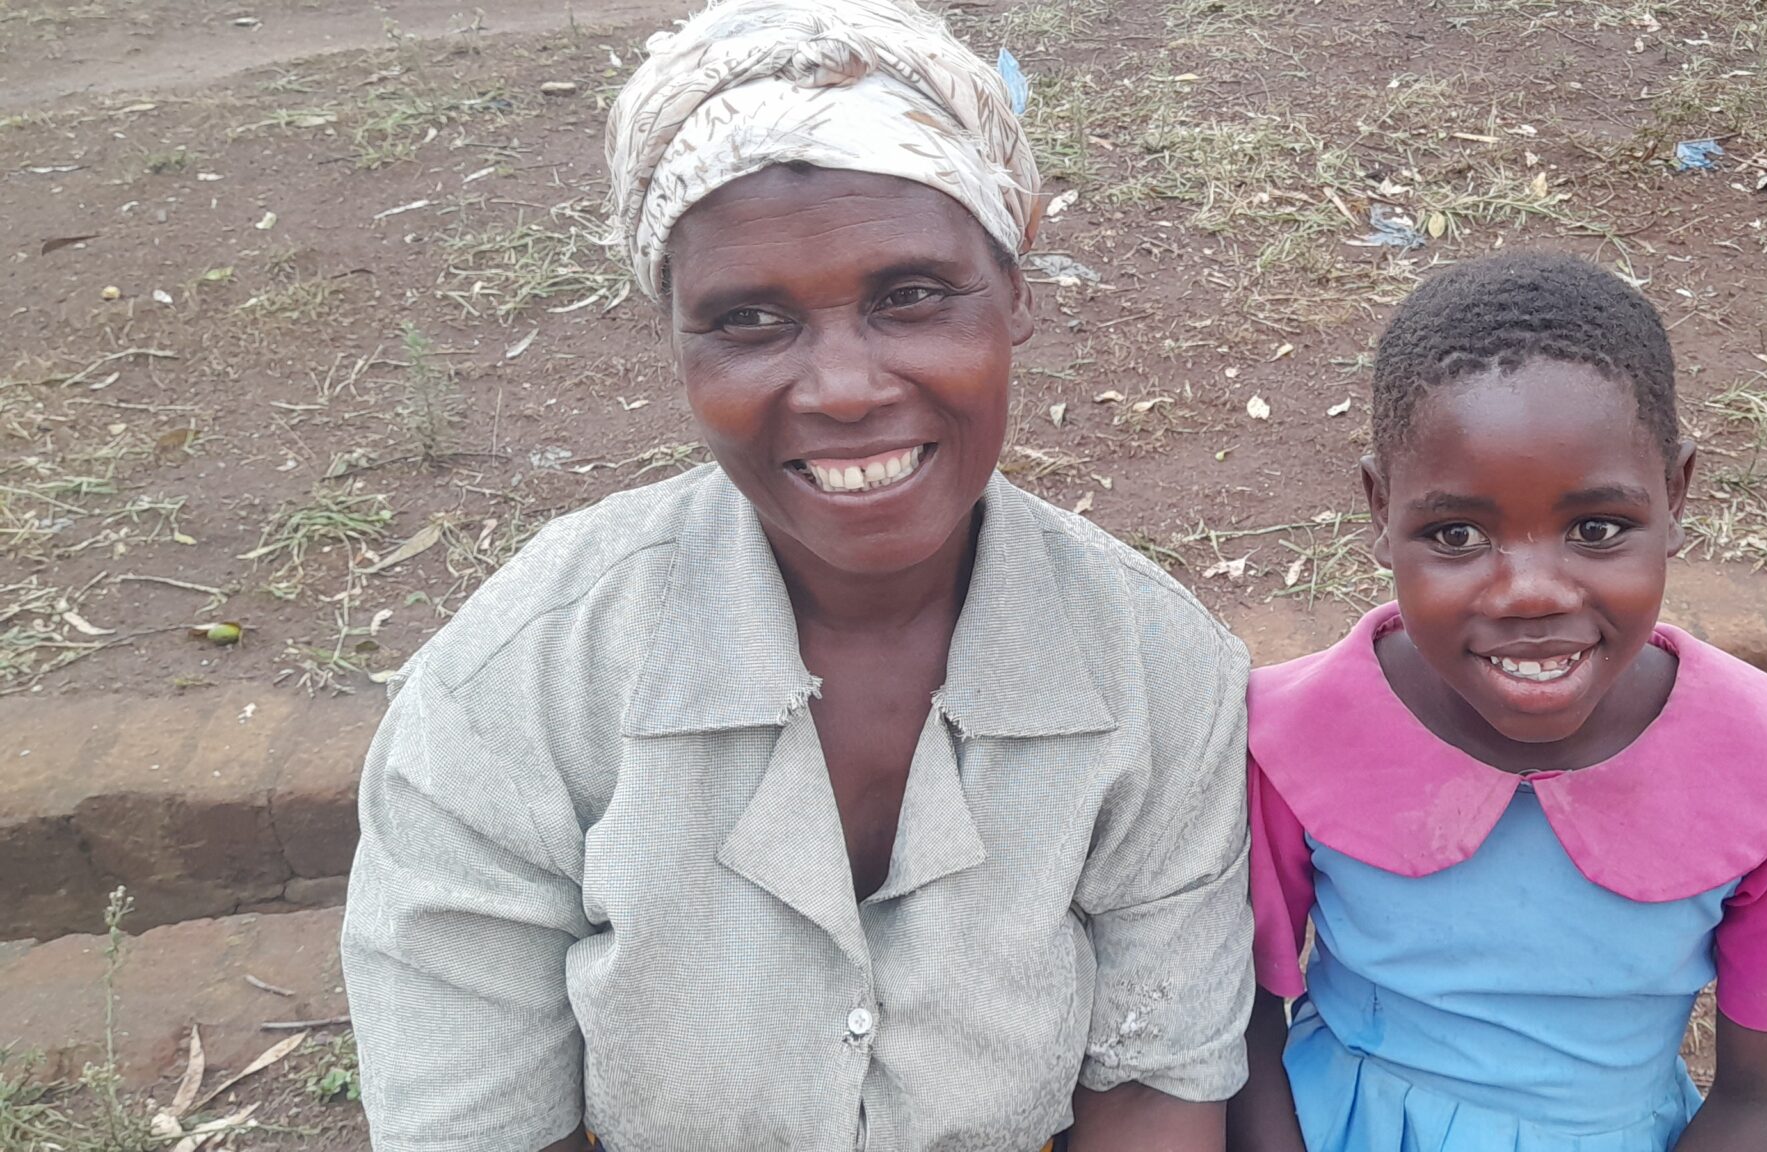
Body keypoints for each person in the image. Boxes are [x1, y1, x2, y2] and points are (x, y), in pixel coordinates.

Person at [338, 2, 1253, 1149]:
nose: (842, 388)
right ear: (674, 343)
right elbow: (471, 1119)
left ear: (1014, 295)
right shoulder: (518, 686)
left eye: (911, 296)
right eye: (749, 320)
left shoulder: (1158, 668)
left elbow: (1154, 1082)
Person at [1226, 252, 1767, 1152]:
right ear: (1381, 511)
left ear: (1679, 493)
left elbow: (1765, 1105)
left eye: (1597, 529)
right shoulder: (1291, 740)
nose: (1531, 592)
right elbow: (1243, 1030)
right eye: (1456, 533)